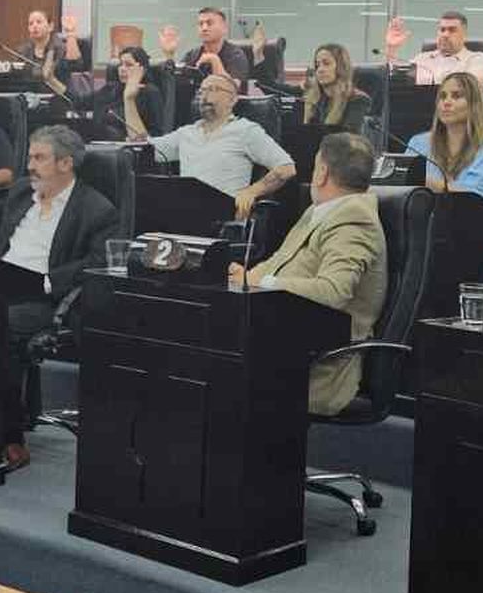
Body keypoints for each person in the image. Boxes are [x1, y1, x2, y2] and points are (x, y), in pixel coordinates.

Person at [0, 126, 119, 470]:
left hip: (47, 299)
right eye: (29, 156)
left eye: (39, 158)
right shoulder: (21, 193)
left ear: (65, 163)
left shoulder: (96, 209)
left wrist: (49, 282)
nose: (29, 165)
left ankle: (8, 436)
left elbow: (98, 264)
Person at [229, 133, 387, 416]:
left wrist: (260, 282)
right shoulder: (320, 211)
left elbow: (333, 292)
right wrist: (242, 278)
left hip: (314, 366)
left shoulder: (354, 217)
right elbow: (278, 261)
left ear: (322, 171)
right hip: (278, 345)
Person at [150, 72, 296, 220]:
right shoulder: (186, 133)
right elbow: (145, 149)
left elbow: (286, 168)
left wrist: (252, 191)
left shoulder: (245, 130)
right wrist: (128, 99)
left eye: (213, 89)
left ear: (232, 100)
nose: (204, 96)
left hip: (222, 217)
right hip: (183, 214)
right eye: (202, 91)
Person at [407, 72, 483, 204]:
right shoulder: (418, 143)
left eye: (456, 96)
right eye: (442, 97)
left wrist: (422, 182)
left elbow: (475, 199)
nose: (447, 102)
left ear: (474, 104)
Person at [384, 12, 483, 92]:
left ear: (464, 35)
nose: (445, 35)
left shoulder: (478, 59)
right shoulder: (422, 59)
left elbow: (473, 88)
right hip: (419, 115)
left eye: (452, 30)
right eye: (442, 30)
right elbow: (394, 78)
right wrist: (392, 48)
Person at [95, 46, 163, 140]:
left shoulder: (150, 92)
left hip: (132, 149)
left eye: (129, 65)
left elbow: (156, 134)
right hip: (102, 145)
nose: (122, 69)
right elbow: (79, 101)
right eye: (121, 64)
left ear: (142, 70)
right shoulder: (110, 89)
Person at [302, 43, 371, 134]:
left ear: (341, 67)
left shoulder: (357, 99)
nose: (320, 70)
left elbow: (349, 138)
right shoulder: (313, 98)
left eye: (326, 64)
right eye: (317, 65)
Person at [181, 7, 250, 92]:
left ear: (224, 28)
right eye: (200, 24)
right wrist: (169, 54)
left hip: (229, 104)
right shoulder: (192, 55)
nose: (204, 28)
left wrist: (214, 60)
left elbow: (229, 90)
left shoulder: (236, 55)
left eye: (209, 23)